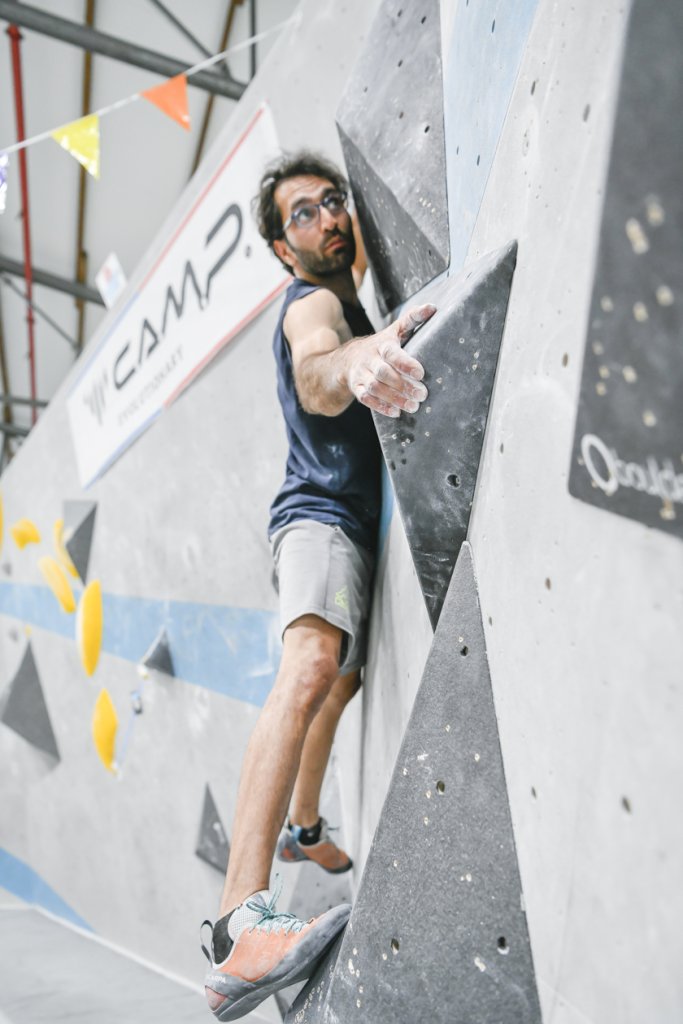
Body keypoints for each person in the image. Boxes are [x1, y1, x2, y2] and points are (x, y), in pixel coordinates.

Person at [201, 152, 434, 1021]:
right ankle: (236, 923)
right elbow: (318, 370)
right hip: (320, 519)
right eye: (302, 213)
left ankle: (304, 828)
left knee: (339, 680)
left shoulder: (356, 293)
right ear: (280, 249)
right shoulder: (316, 304)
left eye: (332, 200)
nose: (327, 217)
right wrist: (360, 361)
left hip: (345, 530)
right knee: (308, 670)